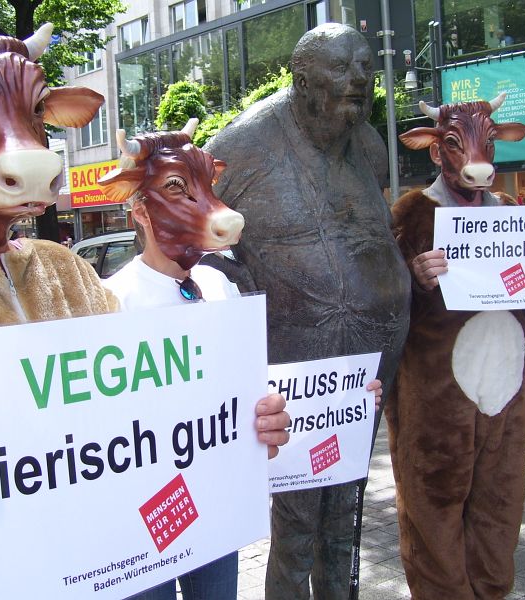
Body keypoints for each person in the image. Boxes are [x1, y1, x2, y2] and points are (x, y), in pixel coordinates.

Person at [0, 22, 290, 600]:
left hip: (101, 570)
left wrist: (230, 425)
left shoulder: (66, 270)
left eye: (32, 116)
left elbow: (145, 408)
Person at [204, 23, 411, 600]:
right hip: (292, 372)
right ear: (300, 79)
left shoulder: (368, 145)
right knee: (297, 518)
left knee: (346, 510)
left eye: (365, 66)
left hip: (365, 368)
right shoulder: (242, 147)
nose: (359, 79)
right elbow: (190, 240)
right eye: (341, 69)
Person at [388, 96, 525, 599]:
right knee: (433, 511)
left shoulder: (512, 215)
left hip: (506, 390)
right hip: (437, 397)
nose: (476, 159)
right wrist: (414, 278)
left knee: (500, 510)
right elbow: (385, 310)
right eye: (455, 145)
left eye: (487, 144)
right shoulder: (413, 213)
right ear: (435, 151)